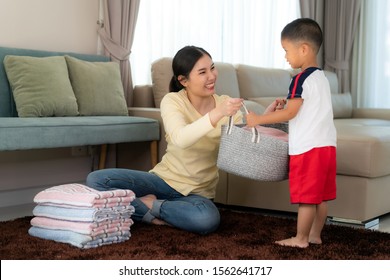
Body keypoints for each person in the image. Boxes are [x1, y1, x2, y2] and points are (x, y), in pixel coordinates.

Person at [86, 46, 243, 235]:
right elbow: (181, 138)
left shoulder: (224, 103)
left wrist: (265, 118)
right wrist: (217, 114)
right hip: (162, 182)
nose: (211, 76)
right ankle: (164, 212)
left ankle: (151, 206)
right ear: (183, 80)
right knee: (96, 180)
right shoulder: (173, 101)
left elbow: (244, 139)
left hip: (197, 194)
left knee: (206, 220)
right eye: (202, 72)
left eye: (212, 68)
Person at [246, 18, 337, 248]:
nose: (285, 57)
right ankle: (315, 234)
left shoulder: (299, 79)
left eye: (286, 50)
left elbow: (290, 114)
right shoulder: (321, 78)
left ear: (303, 49)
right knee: (321, 196)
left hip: (308, 148)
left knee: (307, 197)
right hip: (327, 146)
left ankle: (301, 238)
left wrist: (259, 119)